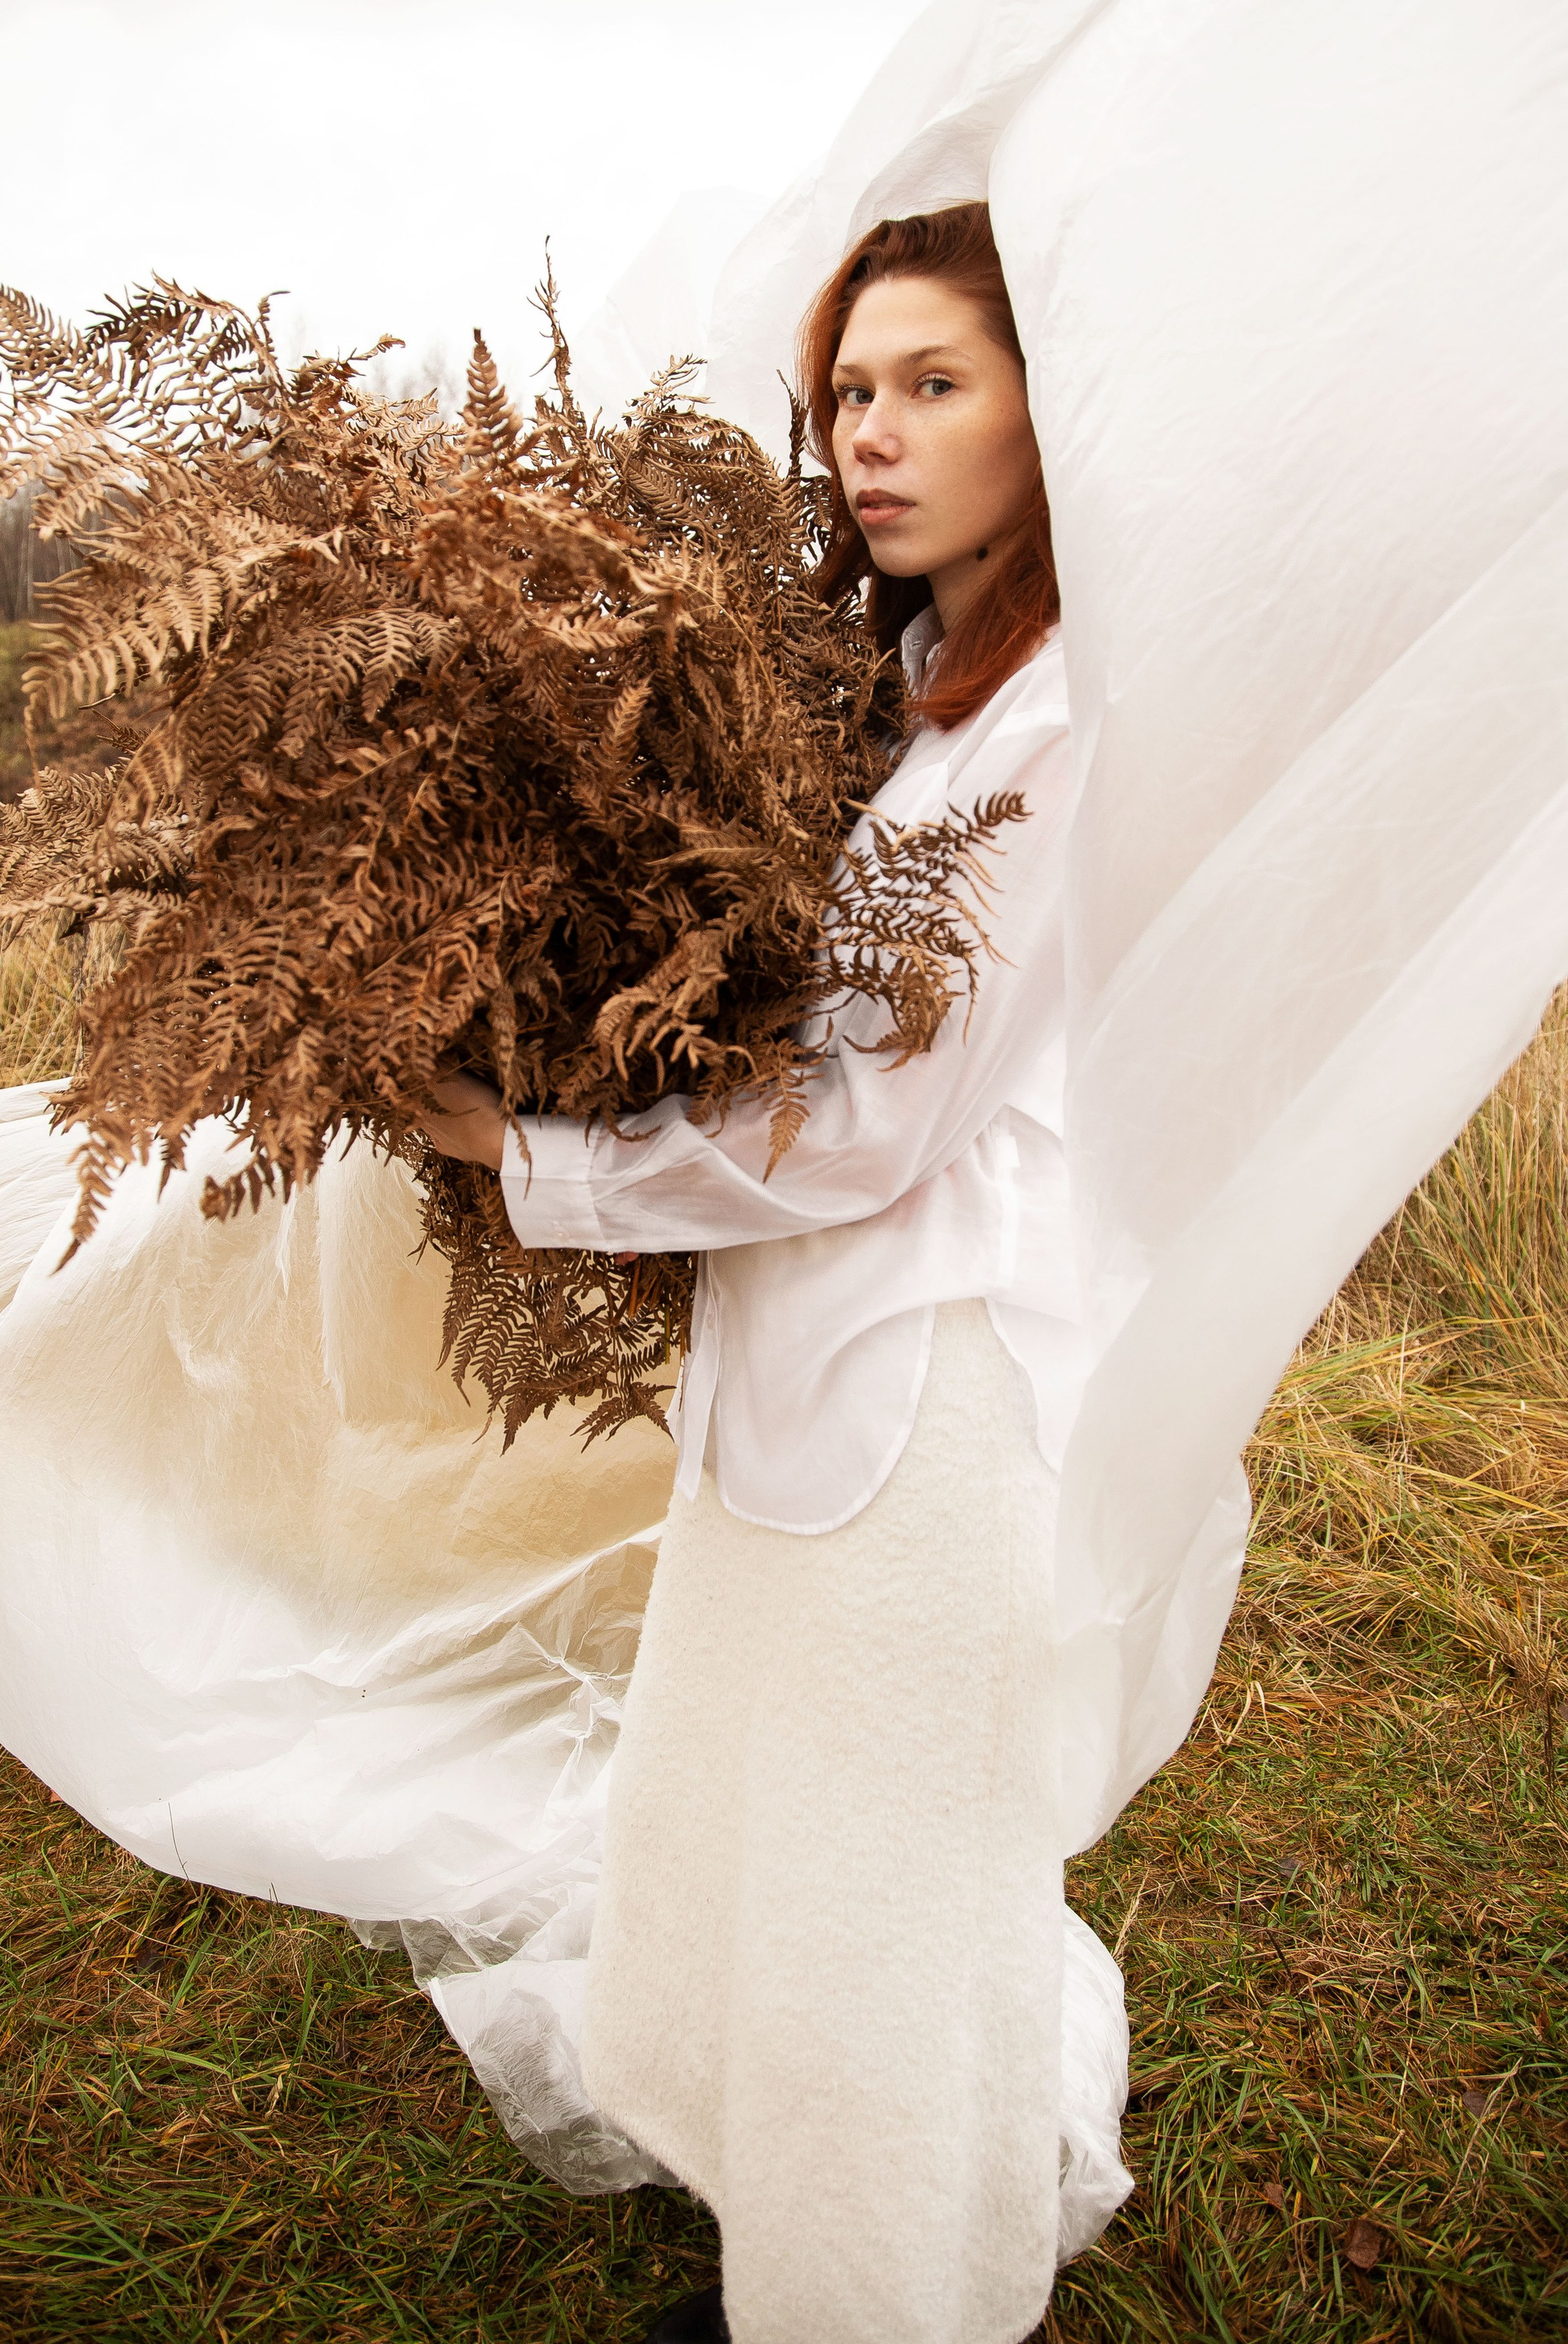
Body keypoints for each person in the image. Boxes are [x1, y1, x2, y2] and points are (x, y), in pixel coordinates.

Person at [419, 202, 1084, 2344]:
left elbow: (877, 1116)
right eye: (847, 395)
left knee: (878, 1871)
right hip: (804, 1333)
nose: (868, 437)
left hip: (928, 1373)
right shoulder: (897, 683)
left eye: (933, 385)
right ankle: (760, 2179)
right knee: (764, 1801)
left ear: (1051, 411)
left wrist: (535, 1154)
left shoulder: (1054, 732)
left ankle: (877, 2284)